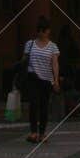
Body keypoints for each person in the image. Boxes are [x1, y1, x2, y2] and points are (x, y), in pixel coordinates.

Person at [21, 16, 60, 144]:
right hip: (33, 78)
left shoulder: (52, 47)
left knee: (44, 106)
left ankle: (42, 133)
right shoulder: (30, 44)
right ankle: (33, 132)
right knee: (33, 103)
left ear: (48, 31)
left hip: (46, 80)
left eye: (44, 30)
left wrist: (56, 80)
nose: (42, 33)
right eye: (40, 30)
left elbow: (54, 64)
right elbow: (24, 60)